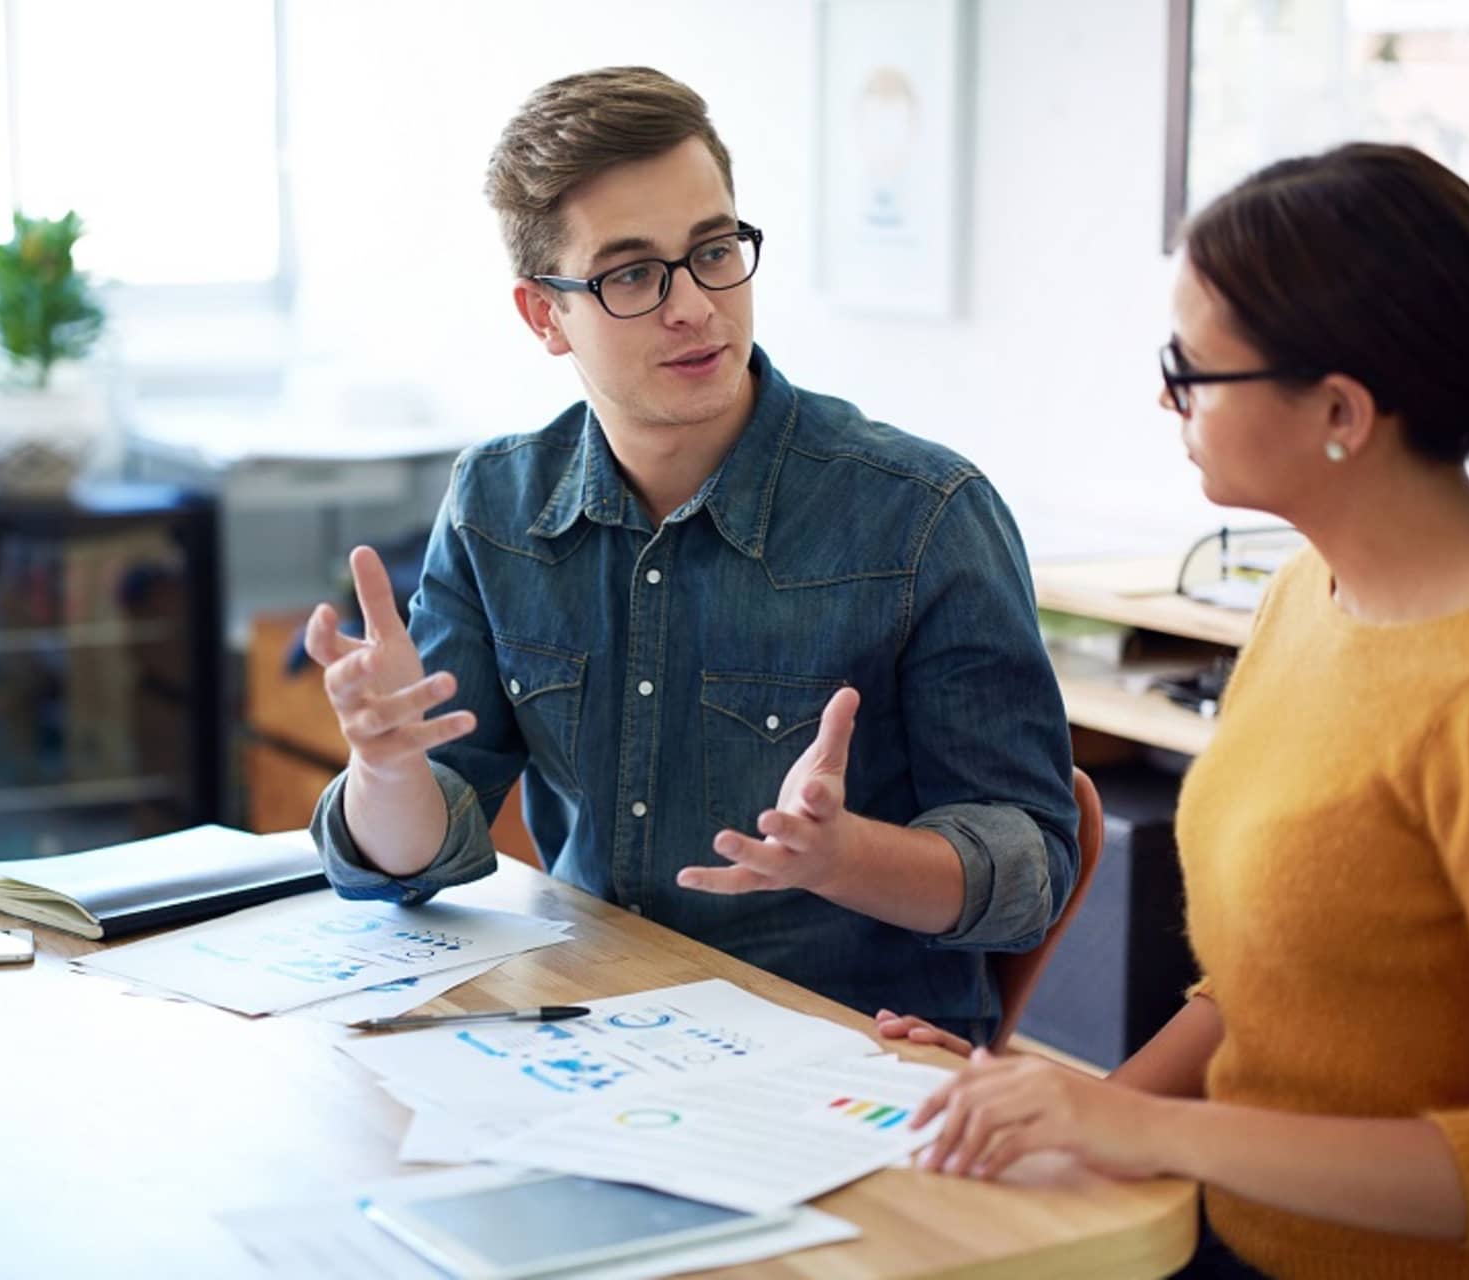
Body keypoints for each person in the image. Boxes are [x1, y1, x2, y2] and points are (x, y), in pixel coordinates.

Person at [879, 143, 1469, 1278]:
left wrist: (1141, 1128)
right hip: (1227, 1231)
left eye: (1188, 366)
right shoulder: (1308, 591)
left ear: (1339, 409)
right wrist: (1057, 1105)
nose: (1164, 394)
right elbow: (1268, 988)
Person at [300, 66, 1078, 1039]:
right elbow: (415, 861)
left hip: (841, 1060)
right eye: (631, 273)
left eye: (713, 250)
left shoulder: (922, 516)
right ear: (544, 314)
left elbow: (1029, 872)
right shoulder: (497, 504)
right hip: (586, 1036)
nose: (693, 306)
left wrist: (842, 856)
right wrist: (383, 769)